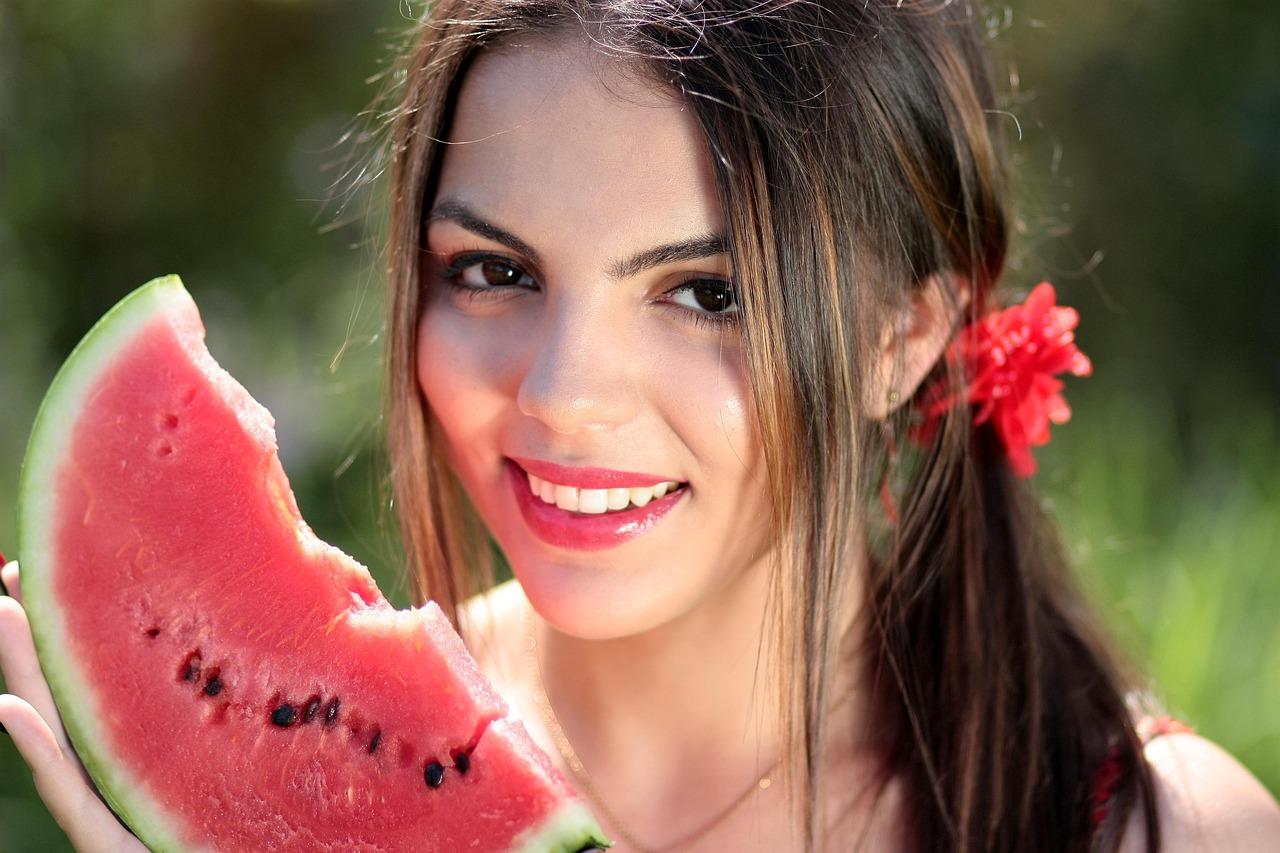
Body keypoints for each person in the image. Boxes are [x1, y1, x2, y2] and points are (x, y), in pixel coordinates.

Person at [2, 1, 1278, 850]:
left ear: (904, 335)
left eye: (705, 293)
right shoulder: (334, 775)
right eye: (491, 271)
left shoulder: (1163, 832)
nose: (562, 393)